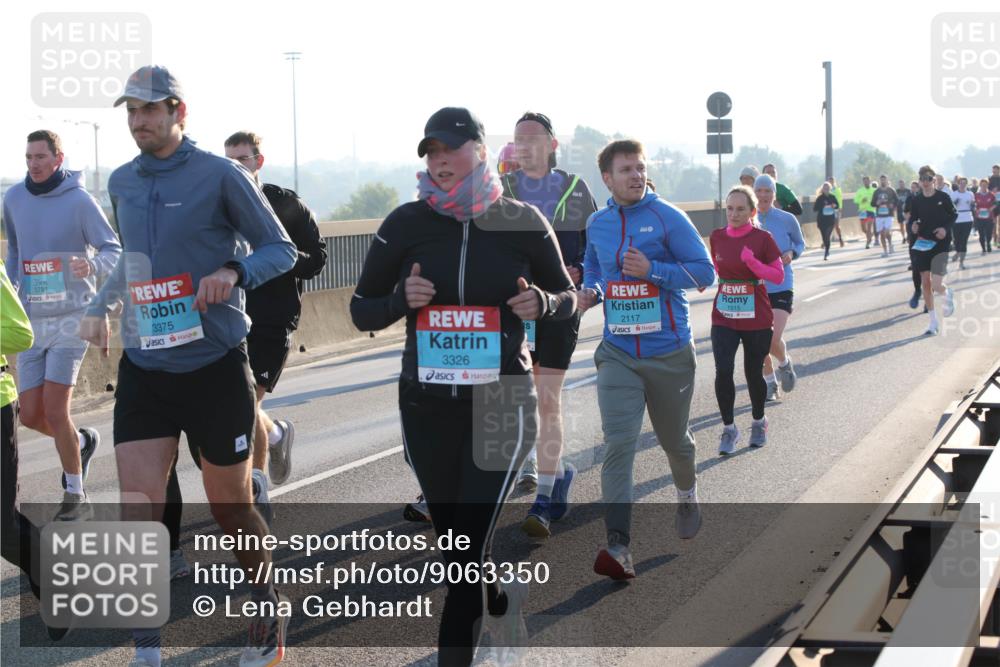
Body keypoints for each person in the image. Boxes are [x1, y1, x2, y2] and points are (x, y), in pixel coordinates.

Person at [78, 65, 297, 667]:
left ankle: (265, 601)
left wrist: (234, 271)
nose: (139, 121)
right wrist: (100, 307)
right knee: (138, 508)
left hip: (213, 365)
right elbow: (132, 260)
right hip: (146, 368)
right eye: (131, 111)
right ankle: (147, 649)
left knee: (230, 507)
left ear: (179, 111)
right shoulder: (122, 180)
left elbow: (282, 249)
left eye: (150, 109)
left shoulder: (221, 175)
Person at [350, 106, 577, 666]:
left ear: (479, 151)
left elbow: (568, 298)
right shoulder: (405, 223)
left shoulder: (522, 221)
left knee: (465, 557)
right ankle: (500, 599)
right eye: (431, 152)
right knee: (459, 553)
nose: (440, 160)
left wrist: (544, 303)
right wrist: (399, 300)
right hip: (426, 405)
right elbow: (359, 309)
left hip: (501, 401)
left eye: (450, 149)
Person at [578, 139, 715, 580]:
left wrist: (653, 270)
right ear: (607, 178)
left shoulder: (668, 217)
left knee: (675, 442)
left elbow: (705, 272)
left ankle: (687, 494)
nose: (636, 175)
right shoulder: (597, 223)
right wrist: (590, 291)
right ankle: (618, 546)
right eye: (626, 170)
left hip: (668, 352)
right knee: (618, 443)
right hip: (618, 352)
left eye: (639, 168)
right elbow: (595, 267)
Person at [3, 129, 122, 521]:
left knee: (55, 409)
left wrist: (92, 264)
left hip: (73, 317)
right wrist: (13, 287)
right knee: (30, 415)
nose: (33, 164)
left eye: (41, 157)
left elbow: (113, 249)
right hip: (32, 318)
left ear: (58, 158)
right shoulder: (14, 198)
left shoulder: (80, 200)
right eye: (28, 157)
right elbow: (15, 251)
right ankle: (81, 442)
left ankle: (75, 492)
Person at [500, 112, 598, 538]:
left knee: (546, 400)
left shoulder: (576, 189)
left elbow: (596, 244)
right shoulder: (501, 189)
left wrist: (583, 275)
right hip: (514, 308)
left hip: (558, 307)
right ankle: (557, 474)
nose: (524, 146)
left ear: (553, 145)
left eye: (533, 138)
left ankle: (542, 498)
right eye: (518, 139)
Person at [224, 131, 327, 506]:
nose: (236, 167)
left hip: (273, 319)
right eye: (229, 161)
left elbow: (317, 260)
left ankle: (255, 488)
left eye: (242, 160)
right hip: (230, 319)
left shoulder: (286, 205)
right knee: (237, 405)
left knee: (245, 404)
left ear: (259, 162)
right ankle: (277, 434)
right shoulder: (219, 208)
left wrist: (278, 256)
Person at [709, 186, 783, 454]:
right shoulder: (717, 237)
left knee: (753, 372)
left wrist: (754, 264)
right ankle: (729, 429)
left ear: (752, 212)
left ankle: (759, 422)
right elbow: (717, 268)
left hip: (756, 317)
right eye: (729, 208)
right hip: (725, 315)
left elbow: (777, 276)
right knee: (723, 370)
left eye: (740, 209)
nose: (734, 214)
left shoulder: (763, 239)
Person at [755, 174, 803, 401]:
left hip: (782, 284)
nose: (763, 195)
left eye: (768, 191)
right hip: (756, 287)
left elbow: (799, 242)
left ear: (774, 194)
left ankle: (784, 363)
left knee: (772, 338)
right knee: (759, 341)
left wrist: (792, 252)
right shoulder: (747, 219)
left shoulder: (786, 219)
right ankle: (769, 383)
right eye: (759, 191)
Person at [906, 165, 956, 335]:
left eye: (928, 178)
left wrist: (944, 229)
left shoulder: (943, 197)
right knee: (925, 283)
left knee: (936, 284)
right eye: (922, 179)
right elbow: (913, 219)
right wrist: (913, 226)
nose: (925, 182)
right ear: (919, 182)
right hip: (923, 243)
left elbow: (953, 215)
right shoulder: (916, 200)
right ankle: (933, 323)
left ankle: (946, 293)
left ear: (934, 180)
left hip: (940, 243)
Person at [905, 180, 925, 310]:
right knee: (916, 266)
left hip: (929, 236)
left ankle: (929, 299)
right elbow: (907, 214)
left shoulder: (935, 197)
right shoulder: (911, 199)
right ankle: (917, 291)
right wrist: (911, 227)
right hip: (914, 236)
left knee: (928, 270)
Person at [950, 176, 975, 269]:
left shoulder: (970, 194)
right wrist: (955, 204)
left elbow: (973, 206)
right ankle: (957, 252)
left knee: (964, 241)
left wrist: (972, 205)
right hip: (956, 219)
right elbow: (949, 207)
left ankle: (961, 262)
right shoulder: (953, 194)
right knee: (956, 240)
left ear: (967, 184)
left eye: (964, 183)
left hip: (967, 218)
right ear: (958, 184)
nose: (962, 185)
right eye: (961, 183)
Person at [871, 174, 900, 256]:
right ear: (880, 181)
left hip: (889, 215)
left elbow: (897, 201)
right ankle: (885, 251)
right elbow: (872, 203)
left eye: (884, 180)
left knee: (887, 232)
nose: (883, 181)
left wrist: (893, 205)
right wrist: (877, 203)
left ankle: (890, 244)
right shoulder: (876, 191)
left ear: (887, 180)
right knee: (882, 234)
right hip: (879, 215)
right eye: (881, 180)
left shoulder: (891, 190)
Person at [813, 181, 840, 260]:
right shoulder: (819, 198)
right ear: (822, 189)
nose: (826, 189)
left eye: (827, 188)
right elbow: (815, 209)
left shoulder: (832, 197)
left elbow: (837, 206)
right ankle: (826, 248)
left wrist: (834, 206)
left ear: (830, 188)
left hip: (830, 219)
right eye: (825, 188)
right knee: (824, 237)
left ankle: (826, 251)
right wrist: (823, 206)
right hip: (821, 220)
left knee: (827, 235)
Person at [975, 178, 996, 254]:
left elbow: (996, 203)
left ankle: (988, 244)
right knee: (981, 234)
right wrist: (976, 209)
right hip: (979, 217)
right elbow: (973, 204)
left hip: (989, 217)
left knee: (989, 233)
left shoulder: (991, 194)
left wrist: (991, 208)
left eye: (985, 185)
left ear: (987, 185)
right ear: (980, 185)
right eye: (982, 185)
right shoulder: (976, 195)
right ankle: (983, 248)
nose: (984, 186)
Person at [854, 175, 876, 249]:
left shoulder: (874, 190)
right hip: (862, 211)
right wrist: (861, 200)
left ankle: (867, 243)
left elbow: (876, 199)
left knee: (869, 227)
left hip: (871, 210)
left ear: (870, 181)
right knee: (863, 229)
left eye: (867, 181)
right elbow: (855, 200)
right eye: (864, 181)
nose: (866, 182)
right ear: (863, 182)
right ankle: (869, 236)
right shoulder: (860, 190)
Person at [829, 176, 845, 247]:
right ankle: (826, 241)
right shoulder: (827, 190)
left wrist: (840, 207)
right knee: (829, 226)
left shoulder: (837, 189)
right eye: (830, 181)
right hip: (828, 210)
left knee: (836, 225)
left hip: (836, 210)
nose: (831, 182)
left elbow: (840, 199)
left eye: (832, 180)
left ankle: (840, 239)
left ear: (834, 181)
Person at [896, 178, 911, 244]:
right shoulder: (896, 191)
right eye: (900, 184)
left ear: (904, 184)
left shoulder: (908, 191)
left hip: (907, 210)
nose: (901, 185)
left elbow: (911, 198)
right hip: (899, 209)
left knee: (907, 224)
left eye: (902, 183)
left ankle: (908, 236)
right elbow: (894, 199)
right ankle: (903, 237)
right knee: (901, 224)